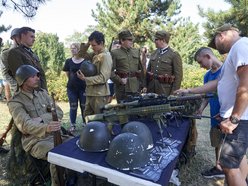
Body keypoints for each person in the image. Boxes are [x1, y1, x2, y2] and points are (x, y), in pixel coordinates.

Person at [175, 23, 248, 186]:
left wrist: (234, 118)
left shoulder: (241, 46)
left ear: (222, 35)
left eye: (215, 41)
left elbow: (246, 85)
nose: (215, 46)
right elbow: (217, 84)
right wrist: (189, 91)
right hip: (234, 116)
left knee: (228, 167)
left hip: (239, 119)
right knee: (237, 160)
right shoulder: (235, 51)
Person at [7, 65, 67, 186]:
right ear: (23, 81)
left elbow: (59, 112)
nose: (37, 78)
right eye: (33, 76)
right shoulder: (16, 102)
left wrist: (41, 118)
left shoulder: (42, 94)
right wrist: (47, 126)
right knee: (58, 156)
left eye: (38, 75)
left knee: (76, 146)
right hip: (35, 141)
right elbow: (25, 125)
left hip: (55, 135)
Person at [178, 47, 224, 178]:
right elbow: (206, 94)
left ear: (208, 56)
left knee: (232, 143)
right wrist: (201, 109)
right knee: (217, 140)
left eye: (200, 62)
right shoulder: (207, 75)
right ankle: (218, 167)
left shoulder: (226, 70)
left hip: (228, 114)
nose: (200, 66)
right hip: (215, 113)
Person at [77, 31, 112, 116]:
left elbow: (103, 78)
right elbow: (81, 54)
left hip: (100, 94)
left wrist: (85, 79)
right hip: (91, 92)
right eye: (91, 45)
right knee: (88, 118)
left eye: (94, 45)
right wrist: (87, 44)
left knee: (100, 120)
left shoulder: (105, 56)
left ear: (102, 43)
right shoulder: (95, 54)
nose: (92, 47)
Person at [110, 30, 145, 103]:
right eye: (129, 40)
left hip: (136, 87)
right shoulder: (114, 53)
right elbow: (110, 71)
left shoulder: (136, 51)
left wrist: (143, 84)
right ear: (122, 41)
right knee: (123, 112)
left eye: (132, 40)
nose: (131, 41)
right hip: (122, 88)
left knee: (137, 111)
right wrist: (119, 80)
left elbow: (141, 69)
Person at [147, 30, 183, 96]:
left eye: (156, 39)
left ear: (163, 40)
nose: (154, 41)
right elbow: (148, 71)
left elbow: (178, 77)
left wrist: (173, 93)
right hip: (151, 89)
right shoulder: (154, 53)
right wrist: (145, 86)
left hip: (165, 90)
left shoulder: (174, 55)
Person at [63, 43, 86, 132]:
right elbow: (68, 74)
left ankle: (85, 123)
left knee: (84, 106)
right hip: (72, 88)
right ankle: (73, 125)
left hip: (83, 88)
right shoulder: (68, 61)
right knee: (73, 106)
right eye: (71, 48)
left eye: (74, 48)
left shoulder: (85, 61)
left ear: (79, 49)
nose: (72, 50)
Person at [0, 28, 20, 99]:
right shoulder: (6, 53)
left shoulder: (25, 52)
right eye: (19, 36)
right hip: (13, 82)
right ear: (14, 38)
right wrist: (15, 85)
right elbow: (5, 73)